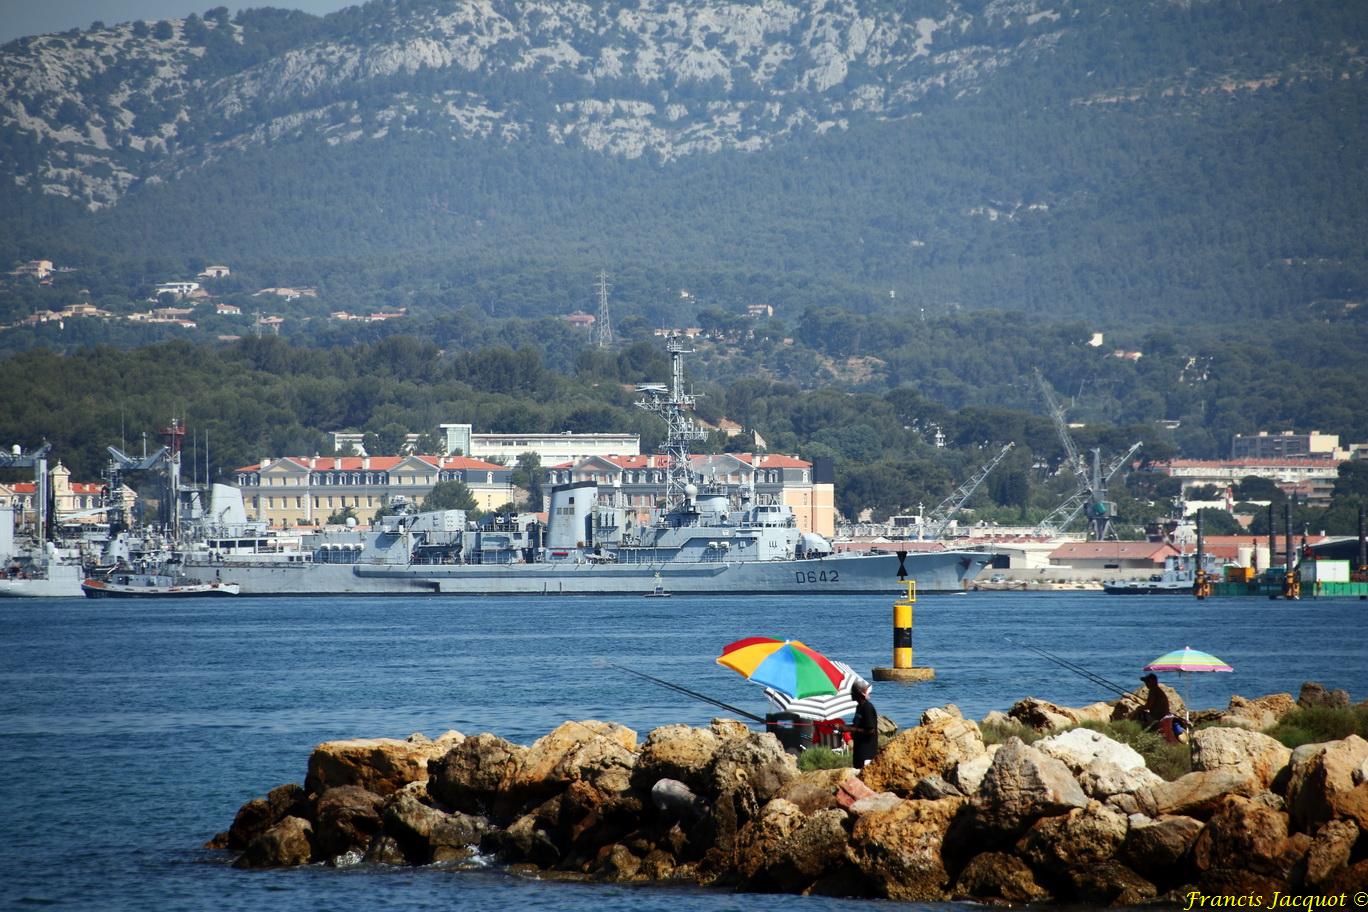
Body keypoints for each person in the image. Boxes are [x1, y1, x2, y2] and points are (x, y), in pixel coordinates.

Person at [849, 681, 879, 768]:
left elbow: (870, 730)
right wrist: (847, 728)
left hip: (867, 754)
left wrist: (849, 729)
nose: (851, 694)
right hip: (858, 752)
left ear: (858, 693)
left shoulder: (867, 708)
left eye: (853, 692)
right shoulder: (859, 707)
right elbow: (859, 726)